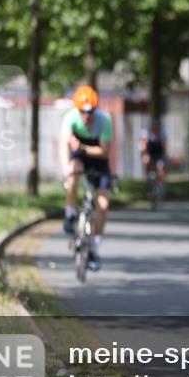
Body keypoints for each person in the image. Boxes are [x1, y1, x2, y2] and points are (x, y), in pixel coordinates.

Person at [59, 85, 114, 271]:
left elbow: (104, 152)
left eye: (90, 112)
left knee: (103, 205)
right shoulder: (70, 118)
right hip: (79, 158)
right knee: (73, 173)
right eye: (83, 112)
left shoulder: (104, 121)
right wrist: (66, 167)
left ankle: (94, 248)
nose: (87, 116)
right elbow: (63, 144)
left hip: (98, 161)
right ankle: (69, 213)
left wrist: (82, 147)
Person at [139, 121, 167, 191]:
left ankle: (160, 183)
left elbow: (164, 145)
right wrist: (144, 154)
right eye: (153, 128)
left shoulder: (162, 133)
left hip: (159, 153)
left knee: (160, 167)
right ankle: (148, 177)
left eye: (156, 128)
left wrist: (164, 156)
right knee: (146, 160)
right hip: (149, 152)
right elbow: (143, 145)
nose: (155, 130)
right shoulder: (146, 133)